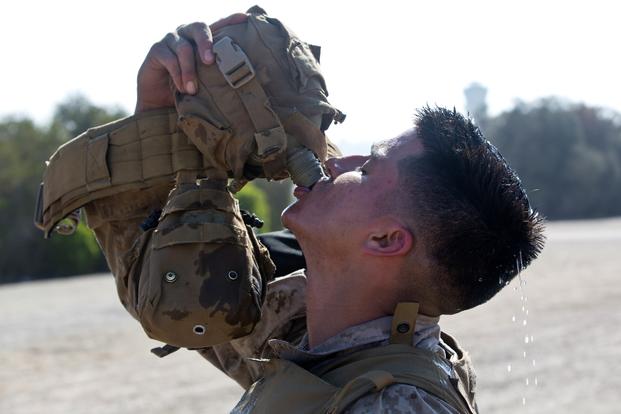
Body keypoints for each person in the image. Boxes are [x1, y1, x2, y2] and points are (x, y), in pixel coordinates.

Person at [79, 12, 545, 414]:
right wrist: (157, 113)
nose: (337, 162)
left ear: (385, 240)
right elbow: (165, 287)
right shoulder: (320, 340)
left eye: (367, 169)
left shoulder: (390, 402)